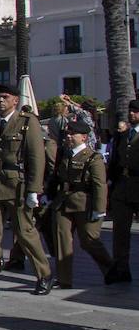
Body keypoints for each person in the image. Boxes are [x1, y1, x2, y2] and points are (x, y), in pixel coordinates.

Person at [0, 83, 52, 297]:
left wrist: (34, 190)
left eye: (5, 97)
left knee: (25, 233)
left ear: (16, 100)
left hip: (17, 186)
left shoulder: (26, 122)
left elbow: (36, 157)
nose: (1, 101)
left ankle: (44, 274)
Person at [52, 119, 112, 288]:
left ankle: (110, 268)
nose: (69, 137)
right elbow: (56, 176)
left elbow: (100, 185)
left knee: (89, 240)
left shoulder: (93, 157)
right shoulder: (64, 153)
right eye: (68, 133)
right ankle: (64, 279)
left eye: (73, 134)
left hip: (84, 203)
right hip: (63, 201)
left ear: (84, 137)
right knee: (62, 238)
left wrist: (99, 209)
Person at [104, 99, 139, 285]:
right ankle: (121, 268)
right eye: (131, 111)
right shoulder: (122, 136)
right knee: (120, 233)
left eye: (136, 111)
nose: (132, 114)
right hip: (122, 188)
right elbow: (114, 161)